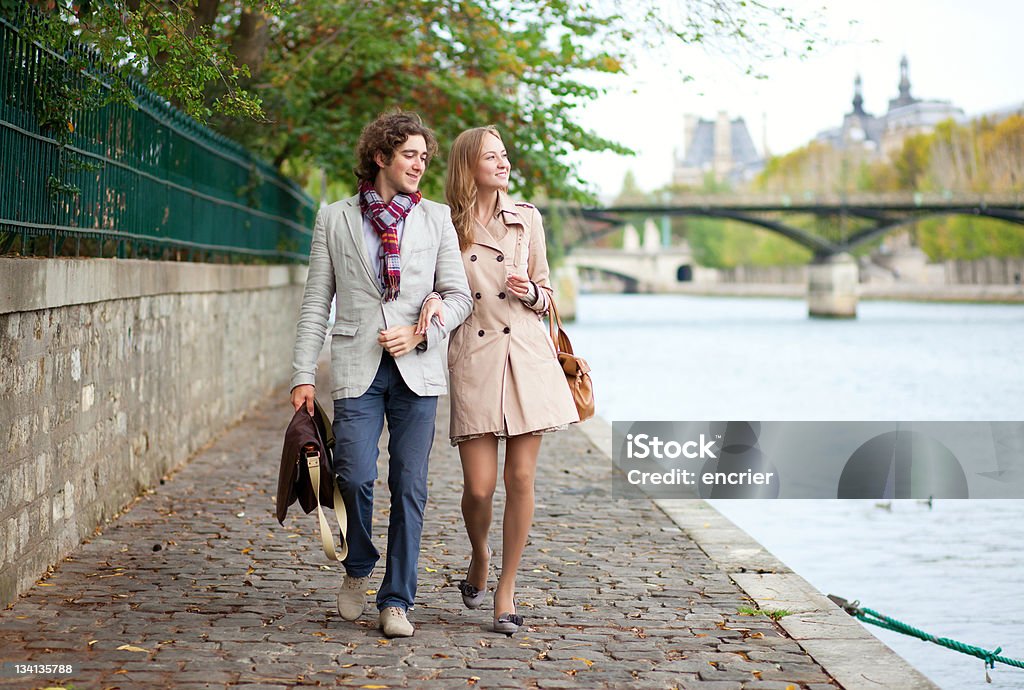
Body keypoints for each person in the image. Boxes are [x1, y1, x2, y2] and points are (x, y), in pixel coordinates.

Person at [291, 110, 472, 638]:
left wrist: (421, 334)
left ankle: (397, 601)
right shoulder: (335, 218)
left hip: (418, 370)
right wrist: (303, 374)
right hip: (357, 365)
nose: (420, 164)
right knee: (352, 473)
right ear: (381, 156)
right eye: (410, 155)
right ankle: (356, 565)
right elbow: (314, 302)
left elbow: (460, 298)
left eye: (423, 156)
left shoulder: (436, 218)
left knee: (410, 484)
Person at [418, 126, 579, 635]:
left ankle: (506, 591)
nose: (503, 163)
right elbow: (436, 284)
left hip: (527, 354)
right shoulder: (447, 224)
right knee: (480, 488)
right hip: (475, 357)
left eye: (505, 155)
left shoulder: (527, 219)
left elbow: (549, 293)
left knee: (521, 479)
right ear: (470, 165)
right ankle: (480, 555)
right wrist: (433, 304)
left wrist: (531, 290)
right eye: (492, 156)